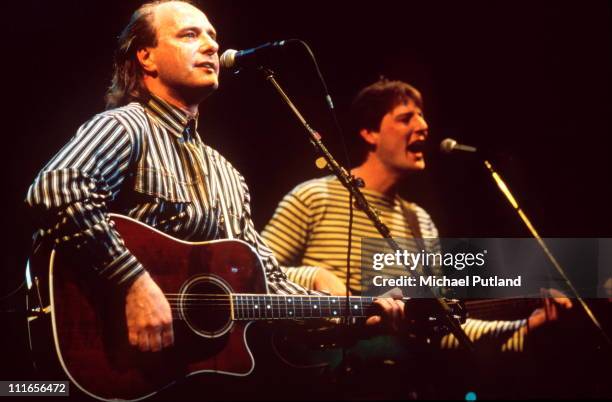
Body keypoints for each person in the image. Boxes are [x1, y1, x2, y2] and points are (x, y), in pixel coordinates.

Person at [25, 1, 405, 355]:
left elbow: (265, 282)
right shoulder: (126, 127)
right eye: (189, 35)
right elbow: (56, 191)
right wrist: (133, 282)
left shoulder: (226, 174)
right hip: (106, 347)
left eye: (212, 36)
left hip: (181, 371)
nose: (210, 46)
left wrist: (354, 314)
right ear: (146, 56)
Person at [262, 79, 572, 351]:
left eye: (422, 117)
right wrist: (315, 276)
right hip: (320, 374)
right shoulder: (314, 197)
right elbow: (253, 275)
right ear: (370, 133)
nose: (423, 126)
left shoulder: (420, 222)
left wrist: (524, 328)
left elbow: (440, 325)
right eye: (406, 118)